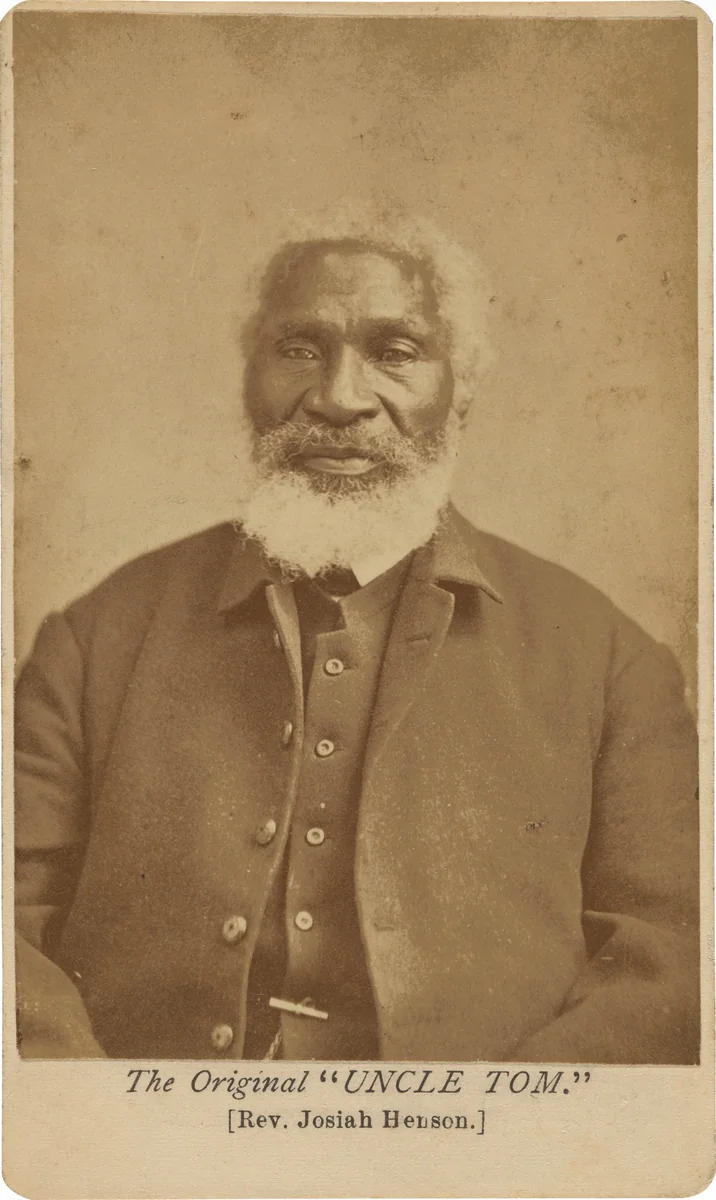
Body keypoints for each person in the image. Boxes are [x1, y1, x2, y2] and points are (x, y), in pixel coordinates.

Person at [15, 214, 699, 1063]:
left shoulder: (607, 658)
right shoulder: (97, 637)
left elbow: (670, 961)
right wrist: (103, 1118)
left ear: (461, 389)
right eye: (300, 349)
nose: (340, 397)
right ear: (250, 378)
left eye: (395, 352)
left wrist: (501, 1129)